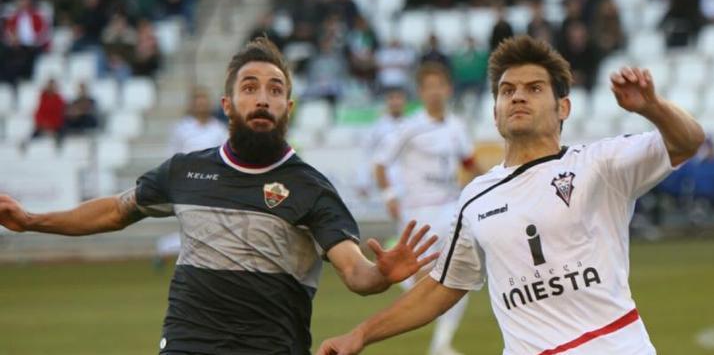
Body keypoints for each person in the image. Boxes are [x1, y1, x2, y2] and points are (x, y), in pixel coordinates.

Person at [0, 38, 438, 355]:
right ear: (227, 104)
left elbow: (354, 272)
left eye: (275, 89)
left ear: (289, 106)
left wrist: (381, 275)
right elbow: (116, 211)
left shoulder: (311, 187)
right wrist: (33, 220)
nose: (263, 98)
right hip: (187, 345)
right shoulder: (184, 170)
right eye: (250, 88)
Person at [318, 36, 704, 355]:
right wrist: (361, 335)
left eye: (534, 89)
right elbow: (441, 287)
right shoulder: (475, 199)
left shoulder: (600, 164)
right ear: (495, 112)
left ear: (563, 107)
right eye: (507, 90)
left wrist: (653, 107)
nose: (518, 97)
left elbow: (687, 142)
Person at [372, 62, 482, 355]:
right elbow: (380, 164)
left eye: (440, 86)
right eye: (428, 87)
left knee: (461, 276)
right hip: (417, 213)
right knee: (421, 279)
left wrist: (492, 184)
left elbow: (469, 164)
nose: (435, 92)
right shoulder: (409, 127)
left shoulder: (457, 126)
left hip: (450, 210)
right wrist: (389, 196)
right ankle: (400, 277)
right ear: (421, 92)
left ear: (448, 89)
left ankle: (442, 345)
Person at [168, 86, 228, 155]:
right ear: (191, 103)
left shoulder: (220, 128)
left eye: (203, 98)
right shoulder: (180, 129)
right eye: (197, 99)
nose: (201, 102)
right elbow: (173, 154)